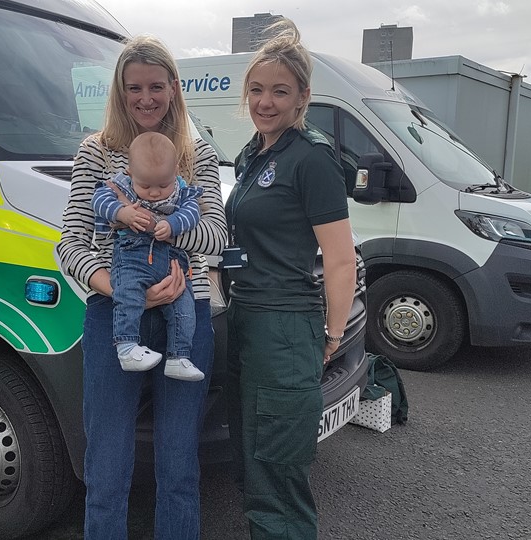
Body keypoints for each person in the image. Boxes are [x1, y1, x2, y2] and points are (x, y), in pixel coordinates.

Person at [56, 34, 227, 539]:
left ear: (174, 87)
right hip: (113, 316)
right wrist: (118, 289)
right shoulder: (96, 153)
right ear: (120, 90)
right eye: (134, 88)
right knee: (106, 464)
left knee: (179, 465)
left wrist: (164, 228)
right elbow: (69, 244)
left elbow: (216, 235)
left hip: (186, 316)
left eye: (156, 86)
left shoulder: (198, 156)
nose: (145, 98)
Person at [224, 18, 357, 540]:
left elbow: (340, 259)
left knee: (278, 472)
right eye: (256, 90)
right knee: (251, 461)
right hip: (245, 320)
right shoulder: (253, 154)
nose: (265, 101)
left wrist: (332, 333)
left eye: (280, 91)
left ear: (303, 96)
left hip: (284, 326)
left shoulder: (311, 158)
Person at [91, 131, 205, 381]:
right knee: (128, 296)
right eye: (145, 186)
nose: (154, 193)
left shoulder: (182, 191)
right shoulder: (118, 185)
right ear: (130, 173)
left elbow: (192, 213)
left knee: (185, 309)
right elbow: (98, 201)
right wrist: (122, 214)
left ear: (175, 171)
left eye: (163, 185)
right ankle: (127, 346)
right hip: (133, 259)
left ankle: (179, 356)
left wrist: (173, 224)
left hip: (173, 264)